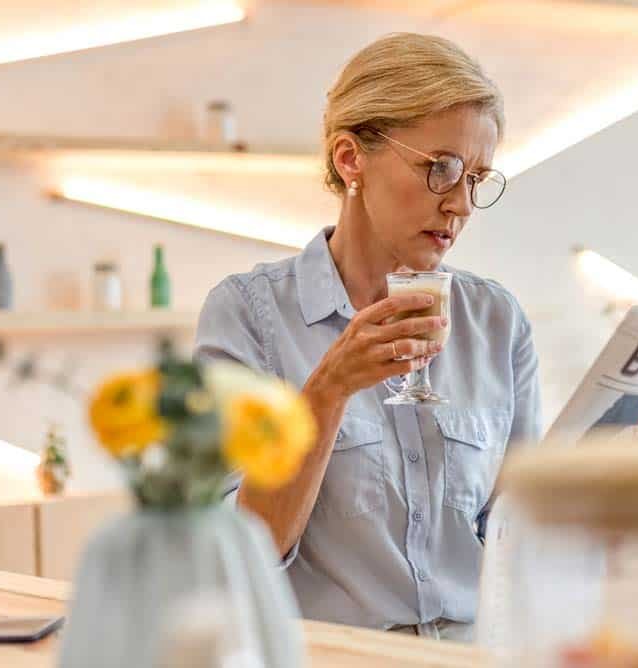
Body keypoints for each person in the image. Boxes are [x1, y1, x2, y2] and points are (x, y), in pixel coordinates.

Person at [194, 32, 541, 642]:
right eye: (442, 169)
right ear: (351, 158)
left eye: (476, 178)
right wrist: (327, 391)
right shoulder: (248, 315)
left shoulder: (496, 321)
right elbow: (234, 557)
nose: (461, 203)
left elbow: (520, 540)